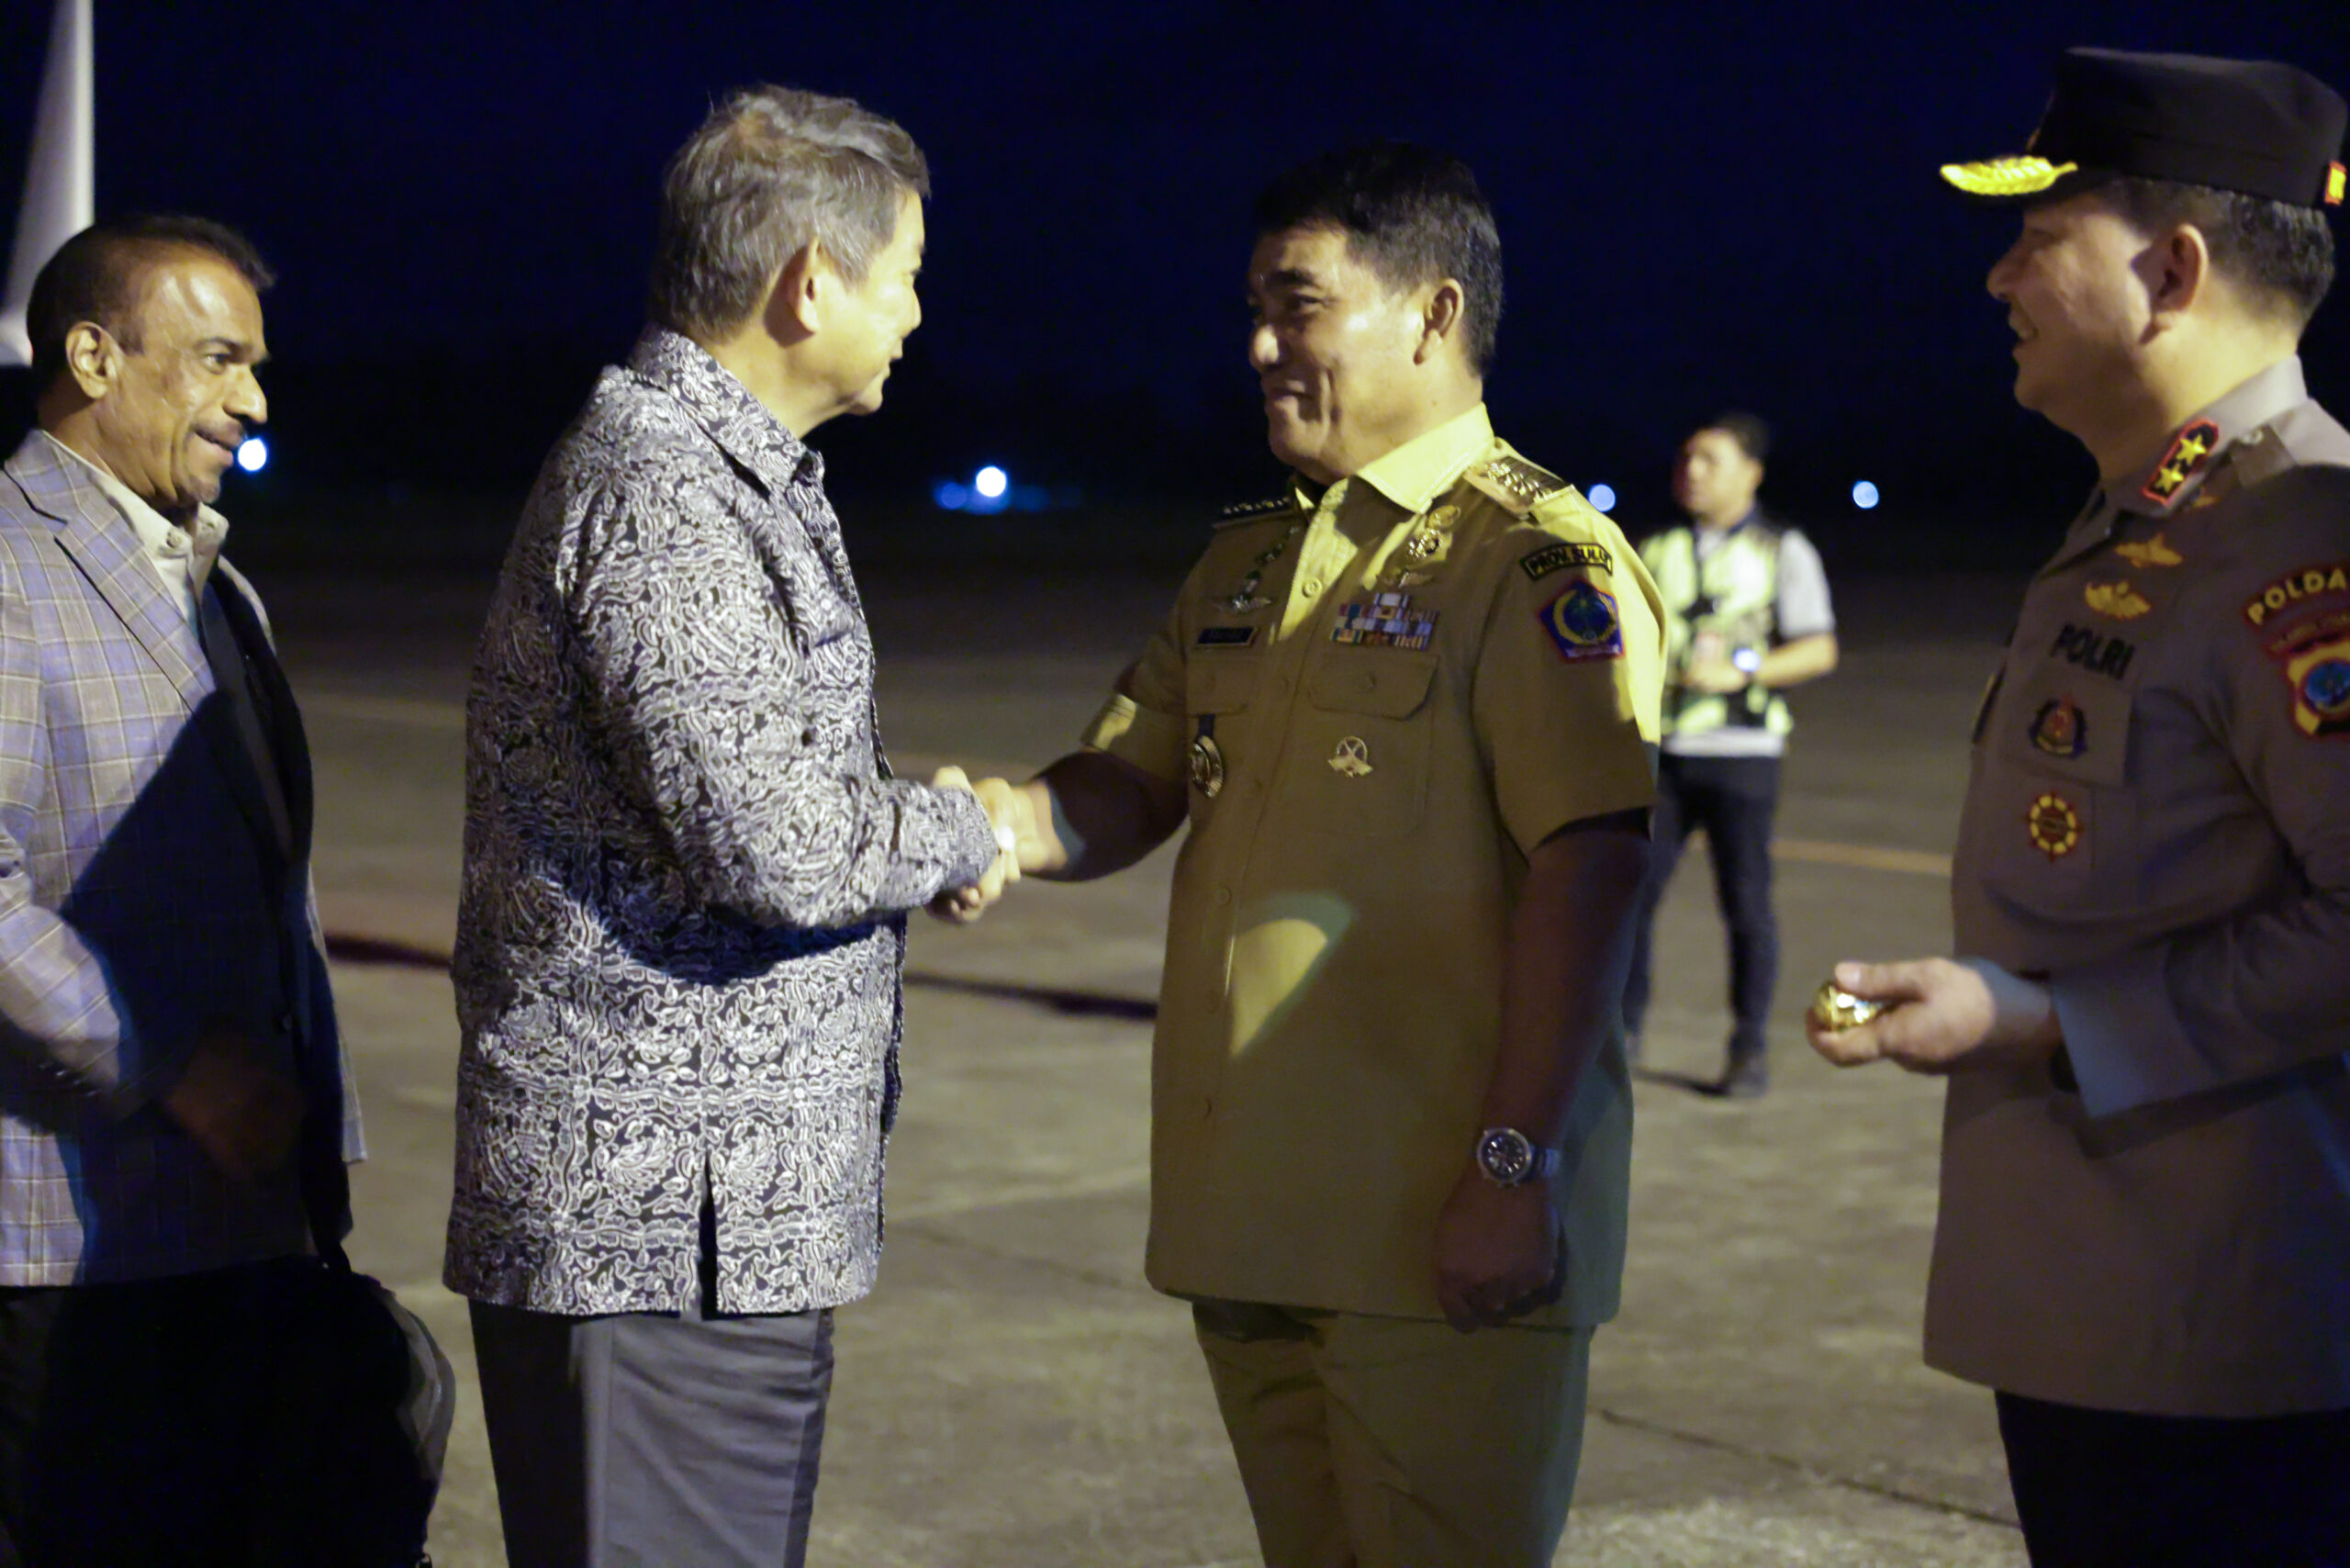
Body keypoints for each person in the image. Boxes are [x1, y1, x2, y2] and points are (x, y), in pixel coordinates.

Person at [946, 144, 1663, 1568]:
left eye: (1301, 306)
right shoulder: (1248, 558)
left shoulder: (1534, 563)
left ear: (1434, 314)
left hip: (1436, 1240)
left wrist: (1512, 1170)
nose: (1262, 347)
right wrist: (992, 827)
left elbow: (1589, 876)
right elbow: (1129, 780)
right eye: (1256, 312)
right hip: (1253, 1226)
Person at [444, 86, 1010, 1568]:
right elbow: (784, 847)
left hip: (703, 1230)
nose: (915, 313)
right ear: (810, 282)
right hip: (655, 1232)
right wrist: (957, 829)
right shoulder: (665, 494)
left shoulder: (719, 472)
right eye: (904, 276)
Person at [1808, 48, 2350, 1565]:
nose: (1999, 277)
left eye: (2040, 236)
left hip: (2229, 1350)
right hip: (2109, 1321)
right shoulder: (2151, 514)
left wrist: (2046, 1019)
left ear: (2171, 272)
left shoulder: (2298, 536)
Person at [0, 218, 373, 1560]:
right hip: (68, 1249)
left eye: (255, 366)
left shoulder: (220, 585)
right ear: (94, 357)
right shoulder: (8, 566)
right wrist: (174, 1064)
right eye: (219, 360)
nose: (254, 401)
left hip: (238, 1228)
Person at [1624, 413, 1837, 1097]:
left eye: (1710, 460)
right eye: (1686, 458)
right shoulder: (1653, 547)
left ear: (1751, 474)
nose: (1691, 471)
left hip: (1742, 753)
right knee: (1629, 897)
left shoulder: (1783, 550)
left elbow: (1819, 648)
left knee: (1745, 904)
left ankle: (1748, 1048)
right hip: (1664, 751)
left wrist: (1741, 670)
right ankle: (1620, 1038)